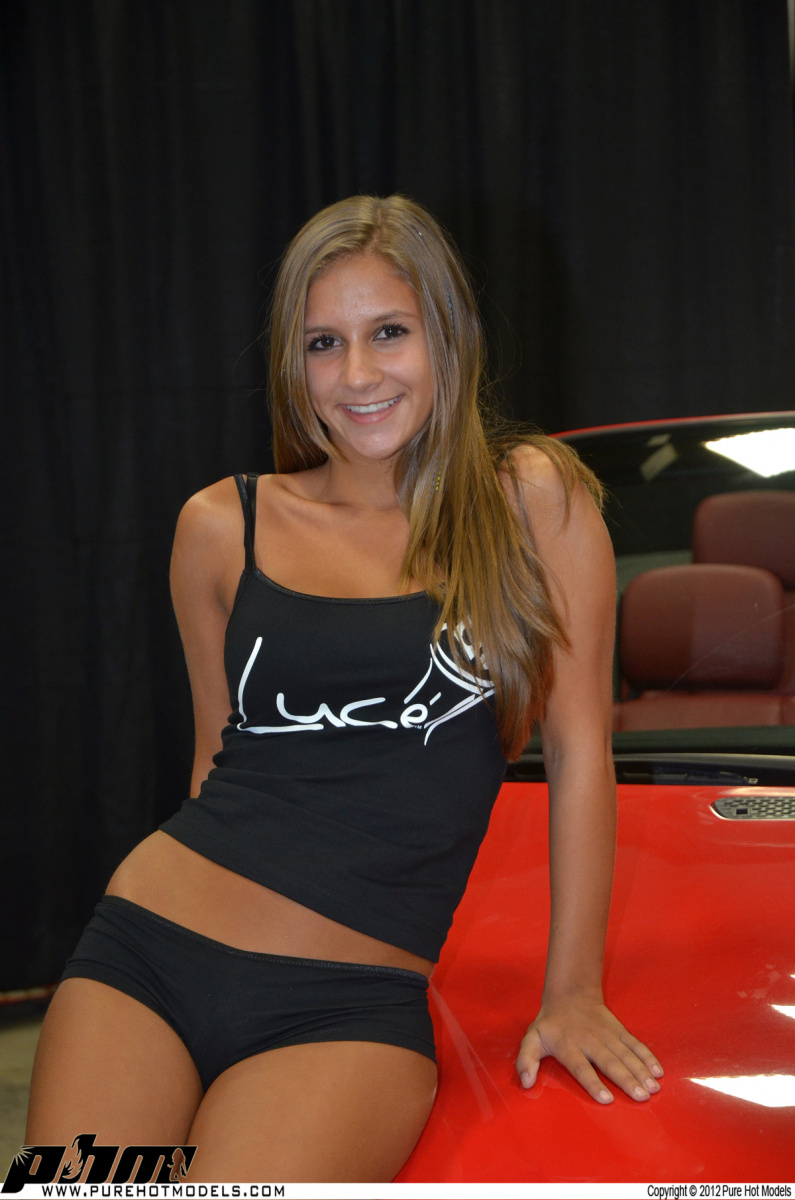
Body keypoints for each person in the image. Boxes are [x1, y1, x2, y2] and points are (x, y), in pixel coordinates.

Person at [26, 194, 663, 1183]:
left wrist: (571, 989)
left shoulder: (532, 502)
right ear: (295, 363)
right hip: (145, 955)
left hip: (343, 1007)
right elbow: (214, 762)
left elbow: (581, 750)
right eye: (324, 342)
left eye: (389, 332)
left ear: (449, 333)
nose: (358, 374)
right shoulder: (220, 526)